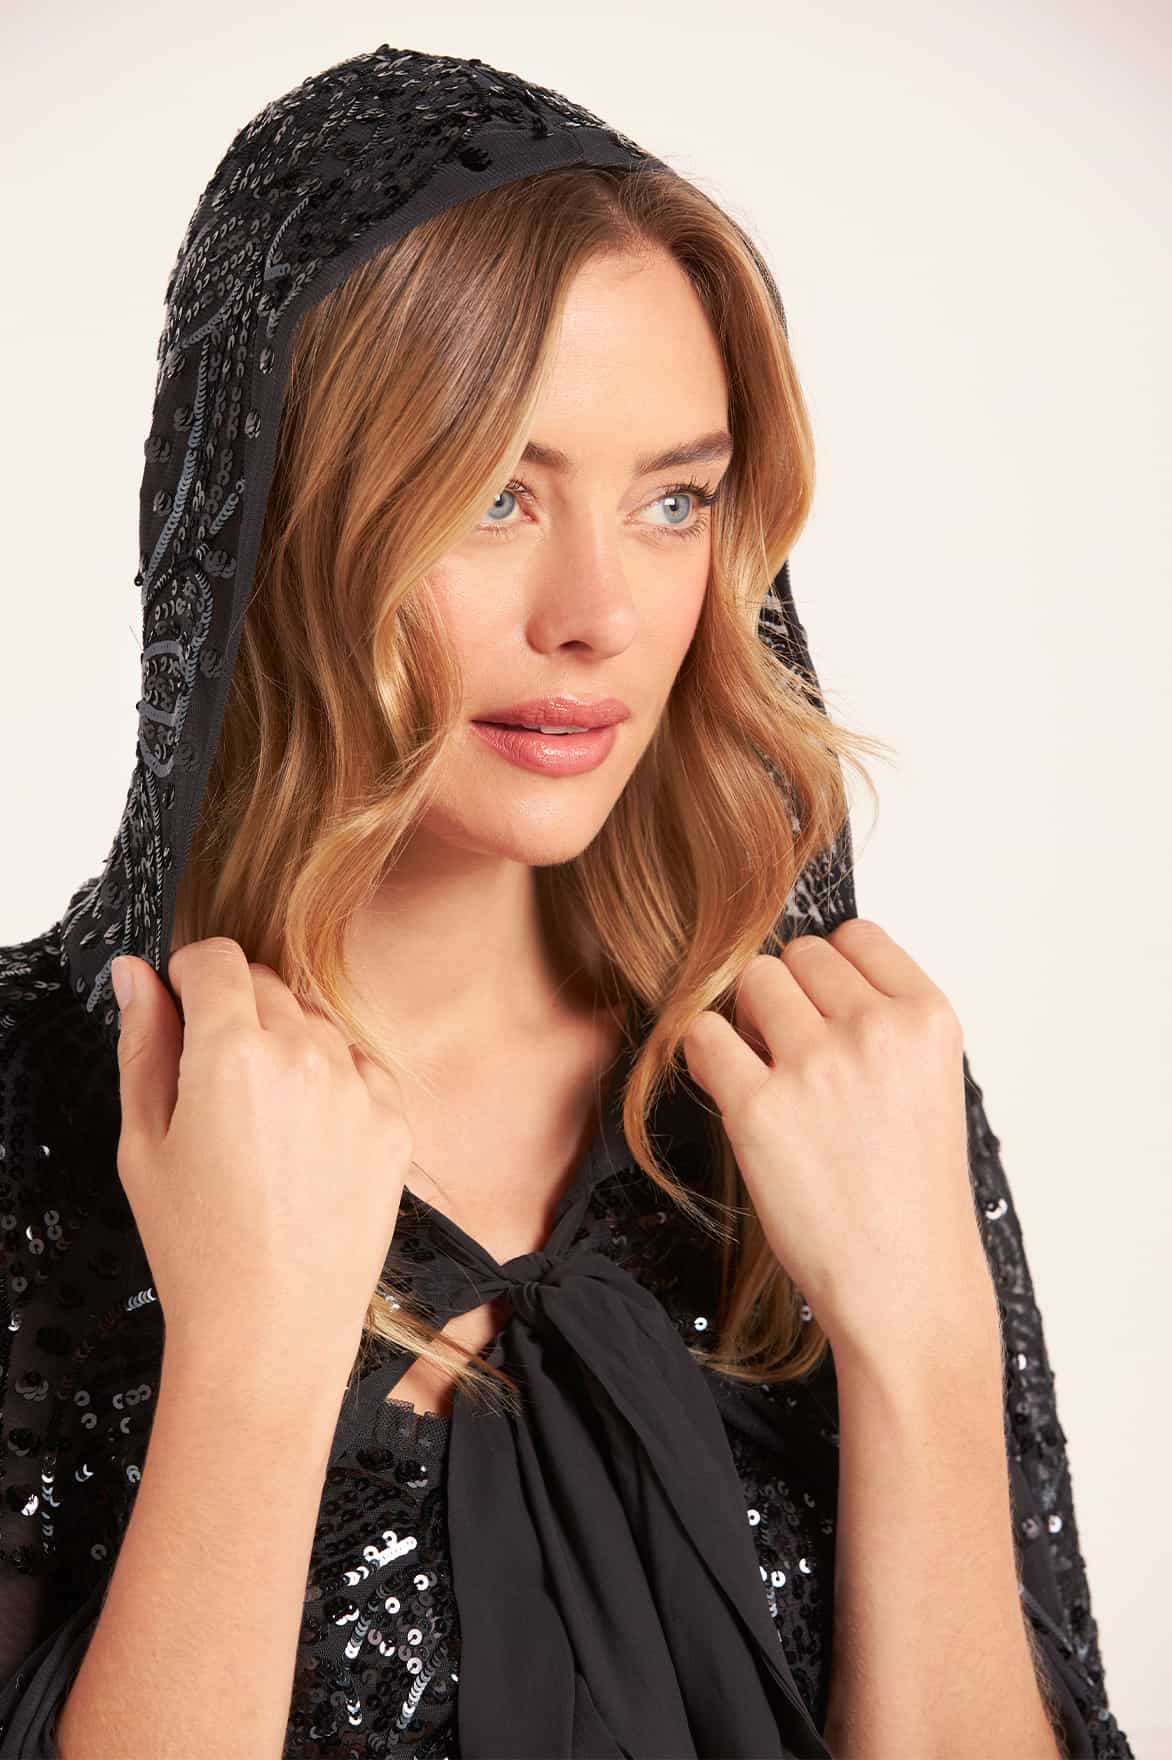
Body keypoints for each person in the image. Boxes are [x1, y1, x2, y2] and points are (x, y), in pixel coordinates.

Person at [0, 43, 1130, 1760]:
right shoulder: (31, 1123)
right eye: (494, 497)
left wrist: (923, 1352)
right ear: (283, 512)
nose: (599, 611)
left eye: (675, 500)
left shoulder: (826, 1096)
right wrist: (248, 1371)